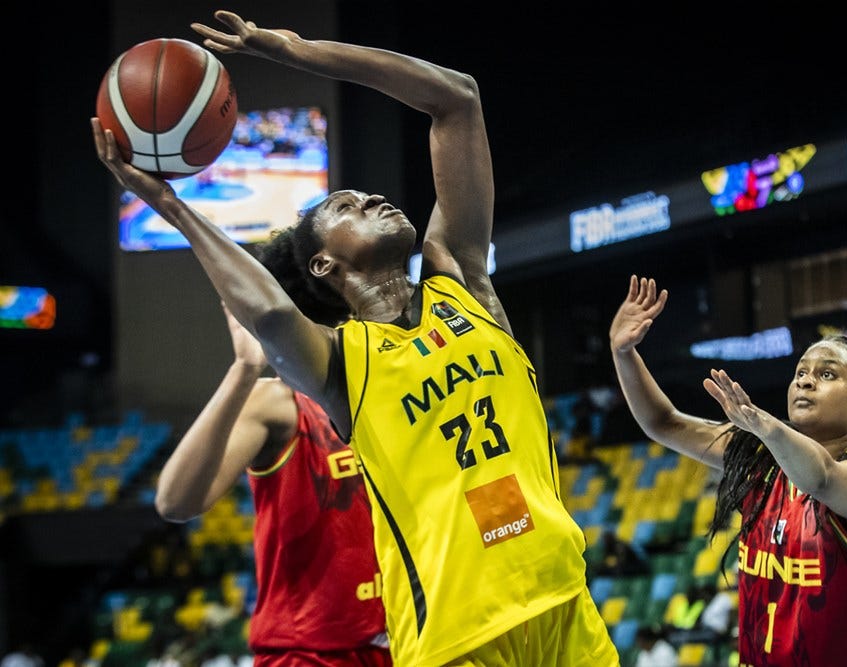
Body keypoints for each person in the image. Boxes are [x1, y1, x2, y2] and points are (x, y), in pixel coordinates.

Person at [93, 10, 618, 667]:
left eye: (365, 195)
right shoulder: (342, 361)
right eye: (348, 205)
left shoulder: (462, 281)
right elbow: (269, 315)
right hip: (458, 639)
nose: (372, 198)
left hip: (567, 605)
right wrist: (170, 206)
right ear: (323, 265)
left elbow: (457, 99)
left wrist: (297, 51)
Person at [609, 275, 847, 666]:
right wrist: (624, 353)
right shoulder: (760, 461)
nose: (806, 381)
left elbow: (820, 478)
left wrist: (766, 426)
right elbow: (663, 423)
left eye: (827, 374)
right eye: (801, 372)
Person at [154, 302, 391, 665]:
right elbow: (175, 502)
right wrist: (244, 370)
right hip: (308, 653)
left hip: (401, 643)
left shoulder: (387, 393)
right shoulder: (279, 402)